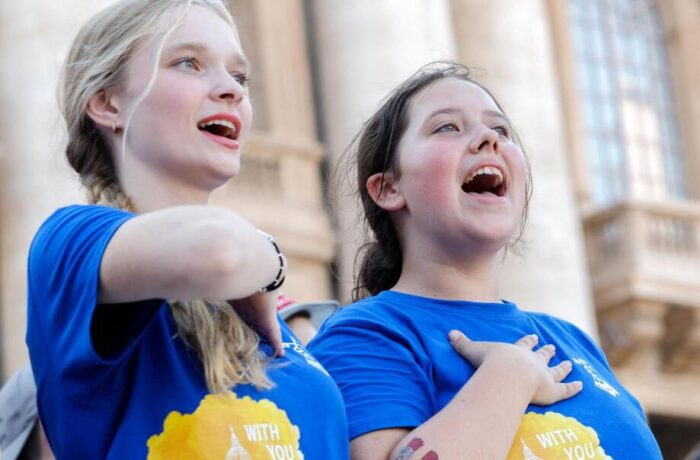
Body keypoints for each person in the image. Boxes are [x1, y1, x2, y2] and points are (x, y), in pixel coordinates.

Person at [26, 1, 347, 458]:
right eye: (189, 63)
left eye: (240, 77)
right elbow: (220, 253)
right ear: (107, 103)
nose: (231, 90)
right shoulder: (71, 240)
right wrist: (271, 259)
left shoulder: (272, 322)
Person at [308, 62, 662, 459]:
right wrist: (509, 377)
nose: (487, 140)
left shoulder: (574, 340)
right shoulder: (367, 336)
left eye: (501, 130)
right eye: (447, 127)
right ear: (389, 188)